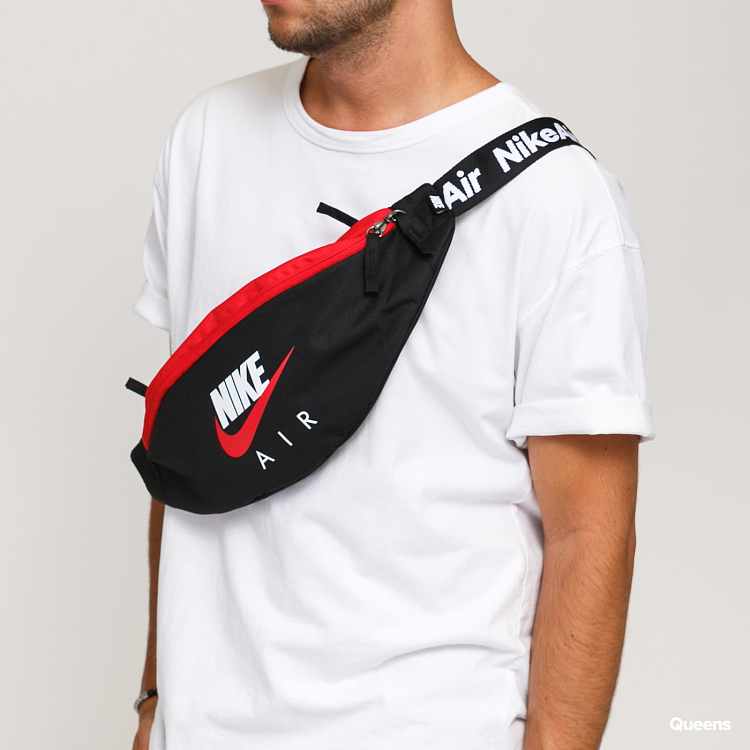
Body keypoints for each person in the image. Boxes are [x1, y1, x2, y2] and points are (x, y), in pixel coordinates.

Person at [131, 1, 652, 748]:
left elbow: (590, 535)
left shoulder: (558, 199)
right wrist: (154, 702)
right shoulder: (208, 139)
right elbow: (190, 444)